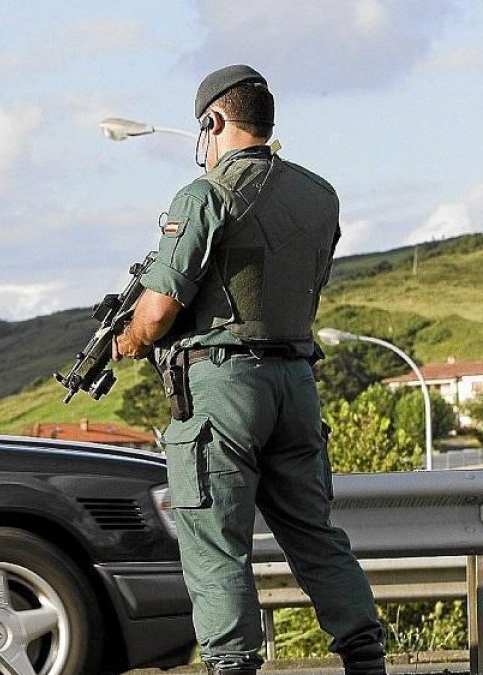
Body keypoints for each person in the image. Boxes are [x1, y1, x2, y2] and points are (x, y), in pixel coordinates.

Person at [112, 65, 386, 675]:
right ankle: (366, 658)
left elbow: (156, 313)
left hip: (224, 387)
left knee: (215, 540)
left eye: (201, 131)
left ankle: (232, 664)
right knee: (314, 534)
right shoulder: (320, 194)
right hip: (296, 381)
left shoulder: (204, 195)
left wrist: (131, 337)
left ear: (212, 122)